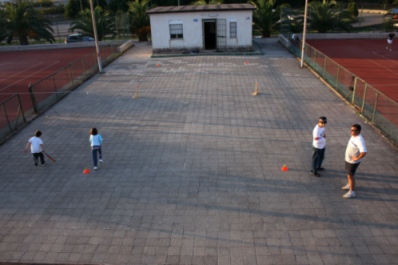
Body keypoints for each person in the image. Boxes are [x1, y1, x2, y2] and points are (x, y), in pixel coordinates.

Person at [342, 124, 367, 199]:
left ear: (358, 131)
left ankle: (352, 192)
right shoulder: (354, 136)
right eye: (351, 130)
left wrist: (357, 158)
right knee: (348, 174)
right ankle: (349, 184)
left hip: (353, 162)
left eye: (353, 130)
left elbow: (364, 152)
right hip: (348, 160)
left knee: (351, 175)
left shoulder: (359, 140)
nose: (351, 131)